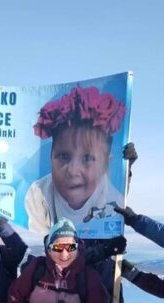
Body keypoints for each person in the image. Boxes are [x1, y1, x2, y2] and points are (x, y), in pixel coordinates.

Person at [25, 85, 127, 233]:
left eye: (87, 158)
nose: (73, 171)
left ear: (105, 164)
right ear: (50, 158)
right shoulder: (39, 193)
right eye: (64, 156)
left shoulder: (114, 202)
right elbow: (40, 244)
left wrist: (127, 171)